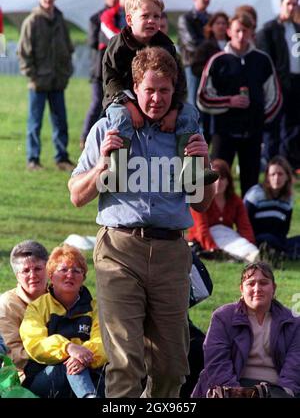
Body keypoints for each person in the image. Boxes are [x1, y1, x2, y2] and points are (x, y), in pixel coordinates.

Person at [68, 46, 215, 398]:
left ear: (174, 89)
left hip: (171, 253)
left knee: (171, 367)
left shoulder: (186, 133)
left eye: (165, 91)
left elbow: (202, 203)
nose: (156, 99)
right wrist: (101, 168)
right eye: (149, 90)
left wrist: (205, 163)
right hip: (120, 250)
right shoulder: (108, 129)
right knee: (125, 361)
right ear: (135, 86)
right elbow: (76, 194)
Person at [101, 0, 217, 189]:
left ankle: (191, 171)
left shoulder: (166, 46)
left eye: (157, 16)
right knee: (119, 117)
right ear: (129, 19)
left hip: (160, 103)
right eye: (145, 16)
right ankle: (116, 170)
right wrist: (129, 105)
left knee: (190, 113)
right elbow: (110, 79)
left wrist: (173, 111)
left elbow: (179, 83)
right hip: (124, 101)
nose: (152, 21)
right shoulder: (117, 46)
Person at [198, 12, 282, 197]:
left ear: (252, 32)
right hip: (223, 132)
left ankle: (247, 224)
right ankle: (213, 223)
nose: (241, 36)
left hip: (252, 133)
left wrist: (259, 119)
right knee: (217, 181)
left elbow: (275, 98)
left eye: (245, 31)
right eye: (237, 31)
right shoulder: (218, 60)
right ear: (229, 31)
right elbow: (203, 97)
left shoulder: (262, 60)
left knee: (250, 185)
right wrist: (229, 101)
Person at [192, 262, 300, 398]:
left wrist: (283, 393)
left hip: (276, 389)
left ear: (274, 288)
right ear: (241, 289)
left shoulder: (293, 321)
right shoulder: (223, 317)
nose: (257, 288)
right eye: (251, 283)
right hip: (231, 388)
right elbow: (216, 361)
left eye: (263, 283)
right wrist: (235, 392)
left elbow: (295, 366)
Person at [20, 244, 107, 399]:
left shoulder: (95, 308)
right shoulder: (37, 308)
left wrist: (83, 357)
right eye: (63, 270)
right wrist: (68, 348)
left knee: (83, 367)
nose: (70, 275)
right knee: (67, 365)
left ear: (83, 278)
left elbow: (104, 341)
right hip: (45, 377)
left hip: (89, 370)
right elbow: (35, 343)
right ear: (51, 276)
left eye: (76, 271)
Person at [18, 0, 74, 172]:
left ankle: (62, 158)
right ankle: (33, 160)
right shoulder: (31, 22)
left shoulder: (60, 20)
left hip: (58, 81)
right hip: (38, 83)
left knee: (60, 122)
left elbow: (69, 48)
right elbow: (23, 53)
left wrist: (66, 73)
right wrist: (32, 76)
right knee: (35, 124)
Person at [256, 0, 300, 174]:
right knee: (274, 127)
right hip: (277, 85)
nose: (291, 7)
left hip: (297, 83)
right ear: (281, 5)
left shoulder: (297, 29)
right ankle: (271, 166)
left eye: (295, 4)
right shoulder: (268, 30)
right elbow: (265, 61)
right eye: (288, 3)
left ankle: (291, 165)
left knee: (295, 125)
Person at [188, 159, 259, 262]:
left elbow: (244, 227)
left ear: (228, 181)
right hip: (206, 240)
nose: (218, 183)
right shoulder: (200, 199)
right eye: (214, 178)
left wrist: (250, 242)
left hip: (228, 236)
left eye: (222, 178)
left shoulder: (235, 201)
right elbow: (201, 230)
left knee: (237, 241)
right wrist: (214, 250)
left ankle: (252, 253)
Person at [0, 240, 48, 381]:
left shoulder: (58, 297)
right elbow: (12, 353)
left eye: (38, 269)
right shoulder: (7, 304)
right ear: (17, 276)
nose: (33, 275)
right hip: (24, 375)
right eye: (26, 271)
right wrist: (56, 358)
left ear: (48, 268)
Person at [80, 0, 119, 149]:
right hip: (99, 69)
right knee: (97, 103)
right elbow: (92, 42)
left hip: (114, 71)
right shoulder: (97, 19)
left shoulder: (121, 17)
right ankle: (85, 137)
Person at [244, 156, 300, 261]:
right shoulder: (256, 193)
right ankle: (284, 253)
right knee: (267, 239)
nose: (276, 178)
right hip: (256, 238)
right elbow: (244, 222)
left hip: (277, 241)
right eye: (272, 174)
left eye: (280, 174)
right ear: (267, 176)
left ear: (287, 177)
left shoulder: (288, 199)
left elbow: (284, 230)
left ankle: (283, 253)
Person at [191, 11, 229, 142]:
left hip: (228, 93)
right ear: (211, 26)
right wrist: (211, 71)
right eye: (218, 23)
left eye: (224, 23)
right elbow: (195, 67)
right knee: (207, 128)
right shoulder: (206, 46)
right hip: (210, 93)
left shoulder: (232, 45)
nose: (221, 26)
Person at [177, 0, 214, 112]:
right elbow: (192, 44)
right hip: (192, 66)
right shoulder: (185, 18)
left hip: (210, 66)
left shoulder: (211, 19)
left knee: (210, 102)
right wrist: (211, 47)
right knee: (193, 103)